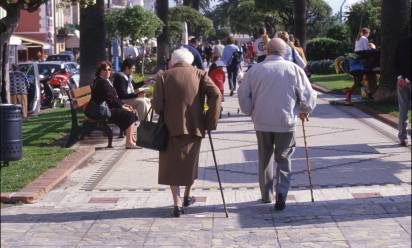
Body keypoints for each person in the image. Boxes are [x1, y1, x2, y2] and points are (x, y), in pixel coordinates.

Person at [238, 38, 317, 210]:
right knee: (284, 158)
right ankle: (281, 193)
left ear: (267, 51)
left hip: (261, 122)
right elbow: (308, 96)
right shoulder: (293, 69)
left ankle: (266, 195)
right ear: (284, 52)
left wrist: (250, 110)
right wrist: (304, 109)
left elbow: (243, 96)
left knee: (264, 158)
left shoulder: (255, 70)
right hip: (285, 121)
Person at [151, 47, 221, 217]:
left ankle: (177, 204)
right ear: (190, 60)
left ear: (173, 61)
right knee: (191, 162)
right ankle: (188, 196)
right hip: (195, 126)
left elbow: (158, 107)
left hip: (169, 128)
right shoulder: (200, 74)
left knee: (171, 166)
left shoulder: (163, 76)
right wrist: (210, 120)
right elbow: (216, 94)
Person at [90, 60, 139, 149]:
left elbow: (114, 98)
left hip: (106, 108)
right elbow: (110, 99)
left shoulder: (104, 81)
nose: (107, 72)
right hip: (102, 111)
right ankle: (129, 143)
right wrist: (122, 106)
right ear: (100, 71)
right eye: (104, 70)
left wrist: (124, 105)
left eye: (109, 70)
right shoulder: (102, 82)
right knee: (129, 115)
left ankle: (131, 139)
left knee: (130, 112)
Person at [395, 34, 411, 147]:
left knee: (403, 110)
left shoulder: (402, 41)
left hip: (401, 81)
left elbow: (395, 61)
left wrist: (401, 77)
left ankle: (402, 137)